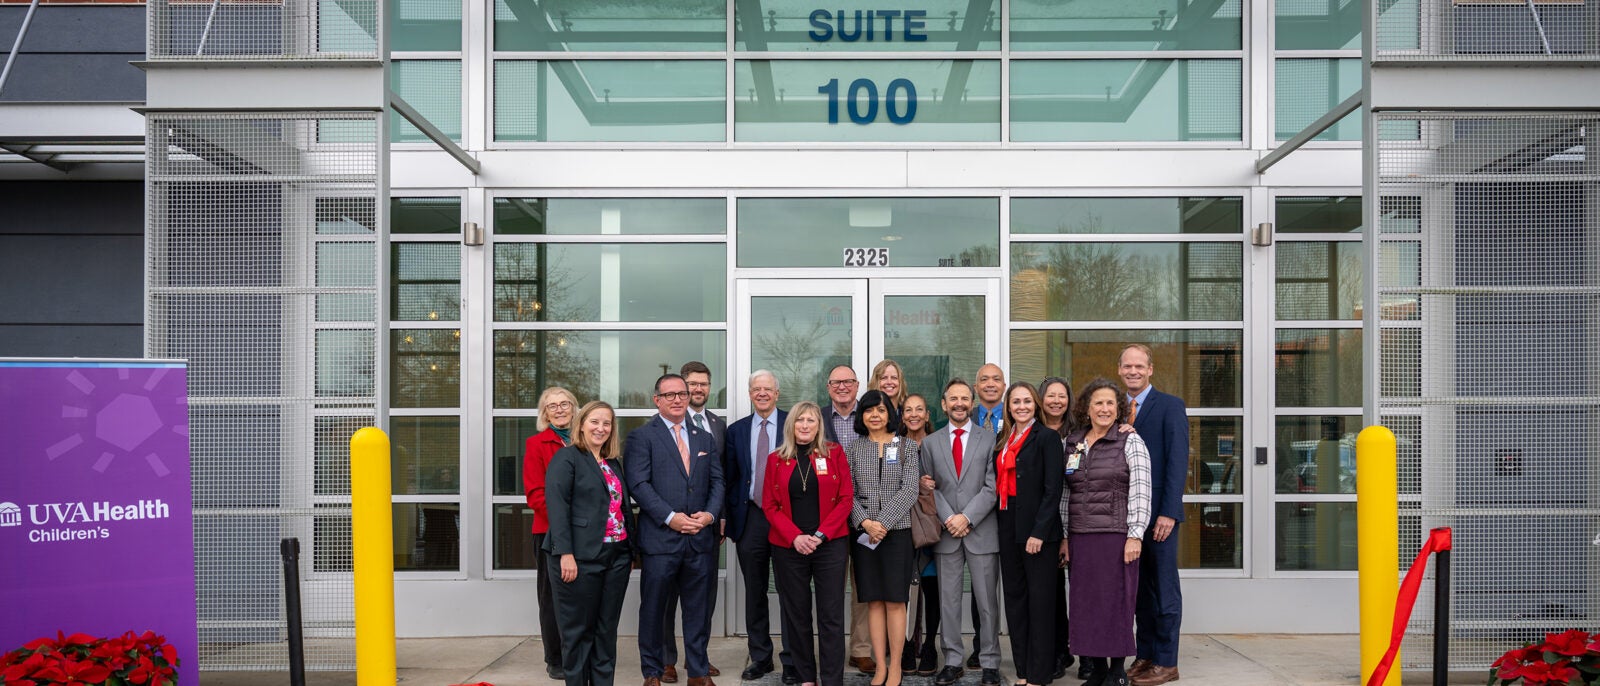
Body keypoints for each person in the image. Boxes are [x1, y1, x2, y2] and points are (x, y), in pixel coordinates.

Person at [626, 374, 725, 686]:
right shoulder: (642, 437)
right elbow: (638, 485)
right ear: (657, 400)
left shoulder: (703, 437)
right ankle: (653, 671)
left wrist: (709, 515)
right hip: (661, 540)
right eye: (669, 395)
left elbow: (718, 481)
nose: (678, 399)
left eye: (681, 394)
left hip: (700, 538)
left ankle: (697, 671)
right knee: (654, 610)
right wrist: (670, 517)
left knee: (698, 611)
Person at [1060, 378, 1152, 686]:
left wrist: (1135, 534)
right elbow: (1065, 493)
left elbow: (1141, 490)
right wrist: (1064, 535)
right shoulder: (1072, 442)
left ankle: (1116, 671)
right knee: (1086, 605)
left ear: (1119, 409)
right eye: (1098, 402)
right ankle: (1097, 669)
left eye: (1110, 403)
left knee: (1116, 603)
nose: (1104, 408)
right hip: (1080, 536)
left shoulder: (1130, 441)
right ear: (1087, 407)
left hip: (1116, 536)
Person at [545, 400, 636, 686]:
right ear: (581, 424)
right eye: (594, 422)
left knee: (606, 632)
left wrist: (629, 551)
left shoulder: (611, 462)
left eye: (606, 423)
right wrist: (565, 554)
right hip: (579, 558)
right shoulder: (567, 458)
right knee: (577, 634)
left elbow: (620, 508)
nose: (601, 428)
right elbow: (557, 509)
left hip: (616, 555)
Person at [764, 401, 854, 686]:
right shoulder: (775, 459)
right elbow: (770, 505)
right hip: (788, 547)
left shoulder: (835, 454)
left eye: (811, 420)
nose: (805, 425)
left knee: (831, 616)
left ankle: (831, 679)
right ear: (791, 425)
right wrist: (795, 537)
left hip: (830, 545)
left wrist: (820, 535)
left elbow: (846, 499)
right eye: (800, 420)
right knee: (797, 615)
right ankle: (805, 677)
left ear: (819, 426)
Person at [919, 379, 1002, 686]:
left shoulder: (989, 439)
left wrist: (966, 517)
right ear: (944, 404)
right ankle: (952, 660)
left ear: (972, 402)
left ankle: (990, 661)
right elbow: (928, 487)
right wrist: (949, 518)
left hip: (980, 530)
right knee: (948, 602)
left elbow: (992, 487)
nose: (959, 403)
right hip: (946, 533)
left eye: (964, 398)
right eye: (953, 398)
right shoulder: (930, 443)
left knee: (986, 602)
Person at [1119, 346, 1188, 686]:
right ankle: (1145, 654)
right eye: (1127, 366)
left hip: (1159, 517)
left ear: (1150, 369)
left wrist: (1169, 512)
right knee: (1139, 590)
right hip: (1128, 517)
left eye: (1139, 366)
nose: (1133, 371)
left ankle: (1166, 661)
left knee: (1163, 588)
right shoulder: (1116, 408)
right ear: (1119, 370)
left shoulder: (1170, 406)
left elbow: (1178, 462)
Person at [845, 390, 921, 686]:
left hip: (896, 533)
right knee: (873, 601)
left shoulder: (906, 447)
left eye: (880, 410)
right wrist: (865, 522)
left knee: (895, 601)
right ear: (861, 416)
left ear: (890, 413)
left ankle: (896, 667)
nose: (874, 415)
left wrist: (882, 523)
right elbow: (847, 492)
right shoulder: (853, 448)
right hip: (864, 535)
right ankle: (878, 666)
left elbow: (910, 489)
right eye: (868, 410)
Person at [723, 370, 795, 683]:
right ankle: (761, 656)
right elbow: (729, 477)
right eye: (756, 389)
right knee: (755, 591)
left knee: (790, 590)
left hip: (787, 519)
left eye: (768, 389)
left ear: (777, 394)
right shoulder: (736, 431)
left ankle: (793, 659)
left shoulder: (793, 424)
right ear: (750, 394)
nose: (762, 393)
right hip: (750, 517)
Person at [992, 382, 1064, 686]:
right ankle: (1023, 670)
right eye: (1015, 402)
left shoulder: (1047, 438)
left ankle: (1040, 673)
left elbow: (1053, 490)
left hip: (1038, 534)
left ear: (1035, 405)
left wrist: (1039, 531)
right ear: (1008, 407)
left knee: (1040, 604)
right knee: (1016, 601)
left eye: (1027, 401)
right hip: (1008, 528)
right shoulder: (1004, 439)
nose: (1021, 406)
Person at [662, 361, 726, 682]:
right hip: (671, 527)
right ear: (682, 389)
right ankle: (666, 660)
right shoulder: (668, 422)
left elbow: (721, 476)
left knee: (703, 597)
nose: (697, 389)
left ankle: (696, 659)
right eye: (692, 384)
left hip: (707, 526)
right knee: (668, 596)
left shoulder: (717, 424)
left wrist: (719, 514)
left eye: (703, 384)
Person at [820, 363, 874, 674]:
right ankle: (830, 649)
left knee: (862, 583)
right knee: (831, 586)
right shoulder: (817, 418)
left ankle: (860, 648)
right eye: (836, 382)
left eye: (849, 382)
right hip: (831, 515)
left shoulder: (869, 417)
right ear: (828, 388)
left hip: (866, 512)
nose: (842, 387)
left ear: (857, 386)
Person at [523, 386, 578, 680]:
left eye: (564, 403)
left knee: (580, 595)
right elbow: (535, 494)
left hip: (585, 532)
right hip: (550, 531)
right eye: (551, 406)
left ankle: (578, 651)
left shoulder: (585, 441)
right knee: (552, 597)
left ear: (574, 407)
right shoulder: (537, 444)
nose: (559, 409)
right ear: (544, 413)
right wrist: (568, 520)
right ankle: (555, 657)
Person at [1037, 377, 1078, 681]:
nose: (1055, 401)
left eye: (1061, 396)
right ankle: (1057, 651)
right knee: (1051, 594)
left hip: (1076, 520)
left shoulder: (1079, 435)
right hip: (1043, 523)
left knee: (1080, 592)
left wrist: (1066, 532)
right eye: (1050, 396)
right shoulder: (1031, 432)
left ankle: (1086, 652)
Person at [898, 393, 939, 676]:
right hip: (900, 525)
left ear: (927, 415)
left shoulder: (938, 444)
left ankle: (930, 647)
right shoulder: (893, 445)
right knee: (902, 590)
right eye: (908, 410)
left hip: (930, 525)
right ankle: (905, 647)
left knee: (931, 587)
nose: (914, 414)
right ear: (902, 416)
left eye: (919, 410)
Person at [973, 364, 1007, 435]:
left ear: (1004, 387)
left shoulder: (1014, 416)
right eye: (984, 379)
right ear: (976, 388)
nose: (990, 384)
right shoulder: (966, 417)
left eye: (996, 379)